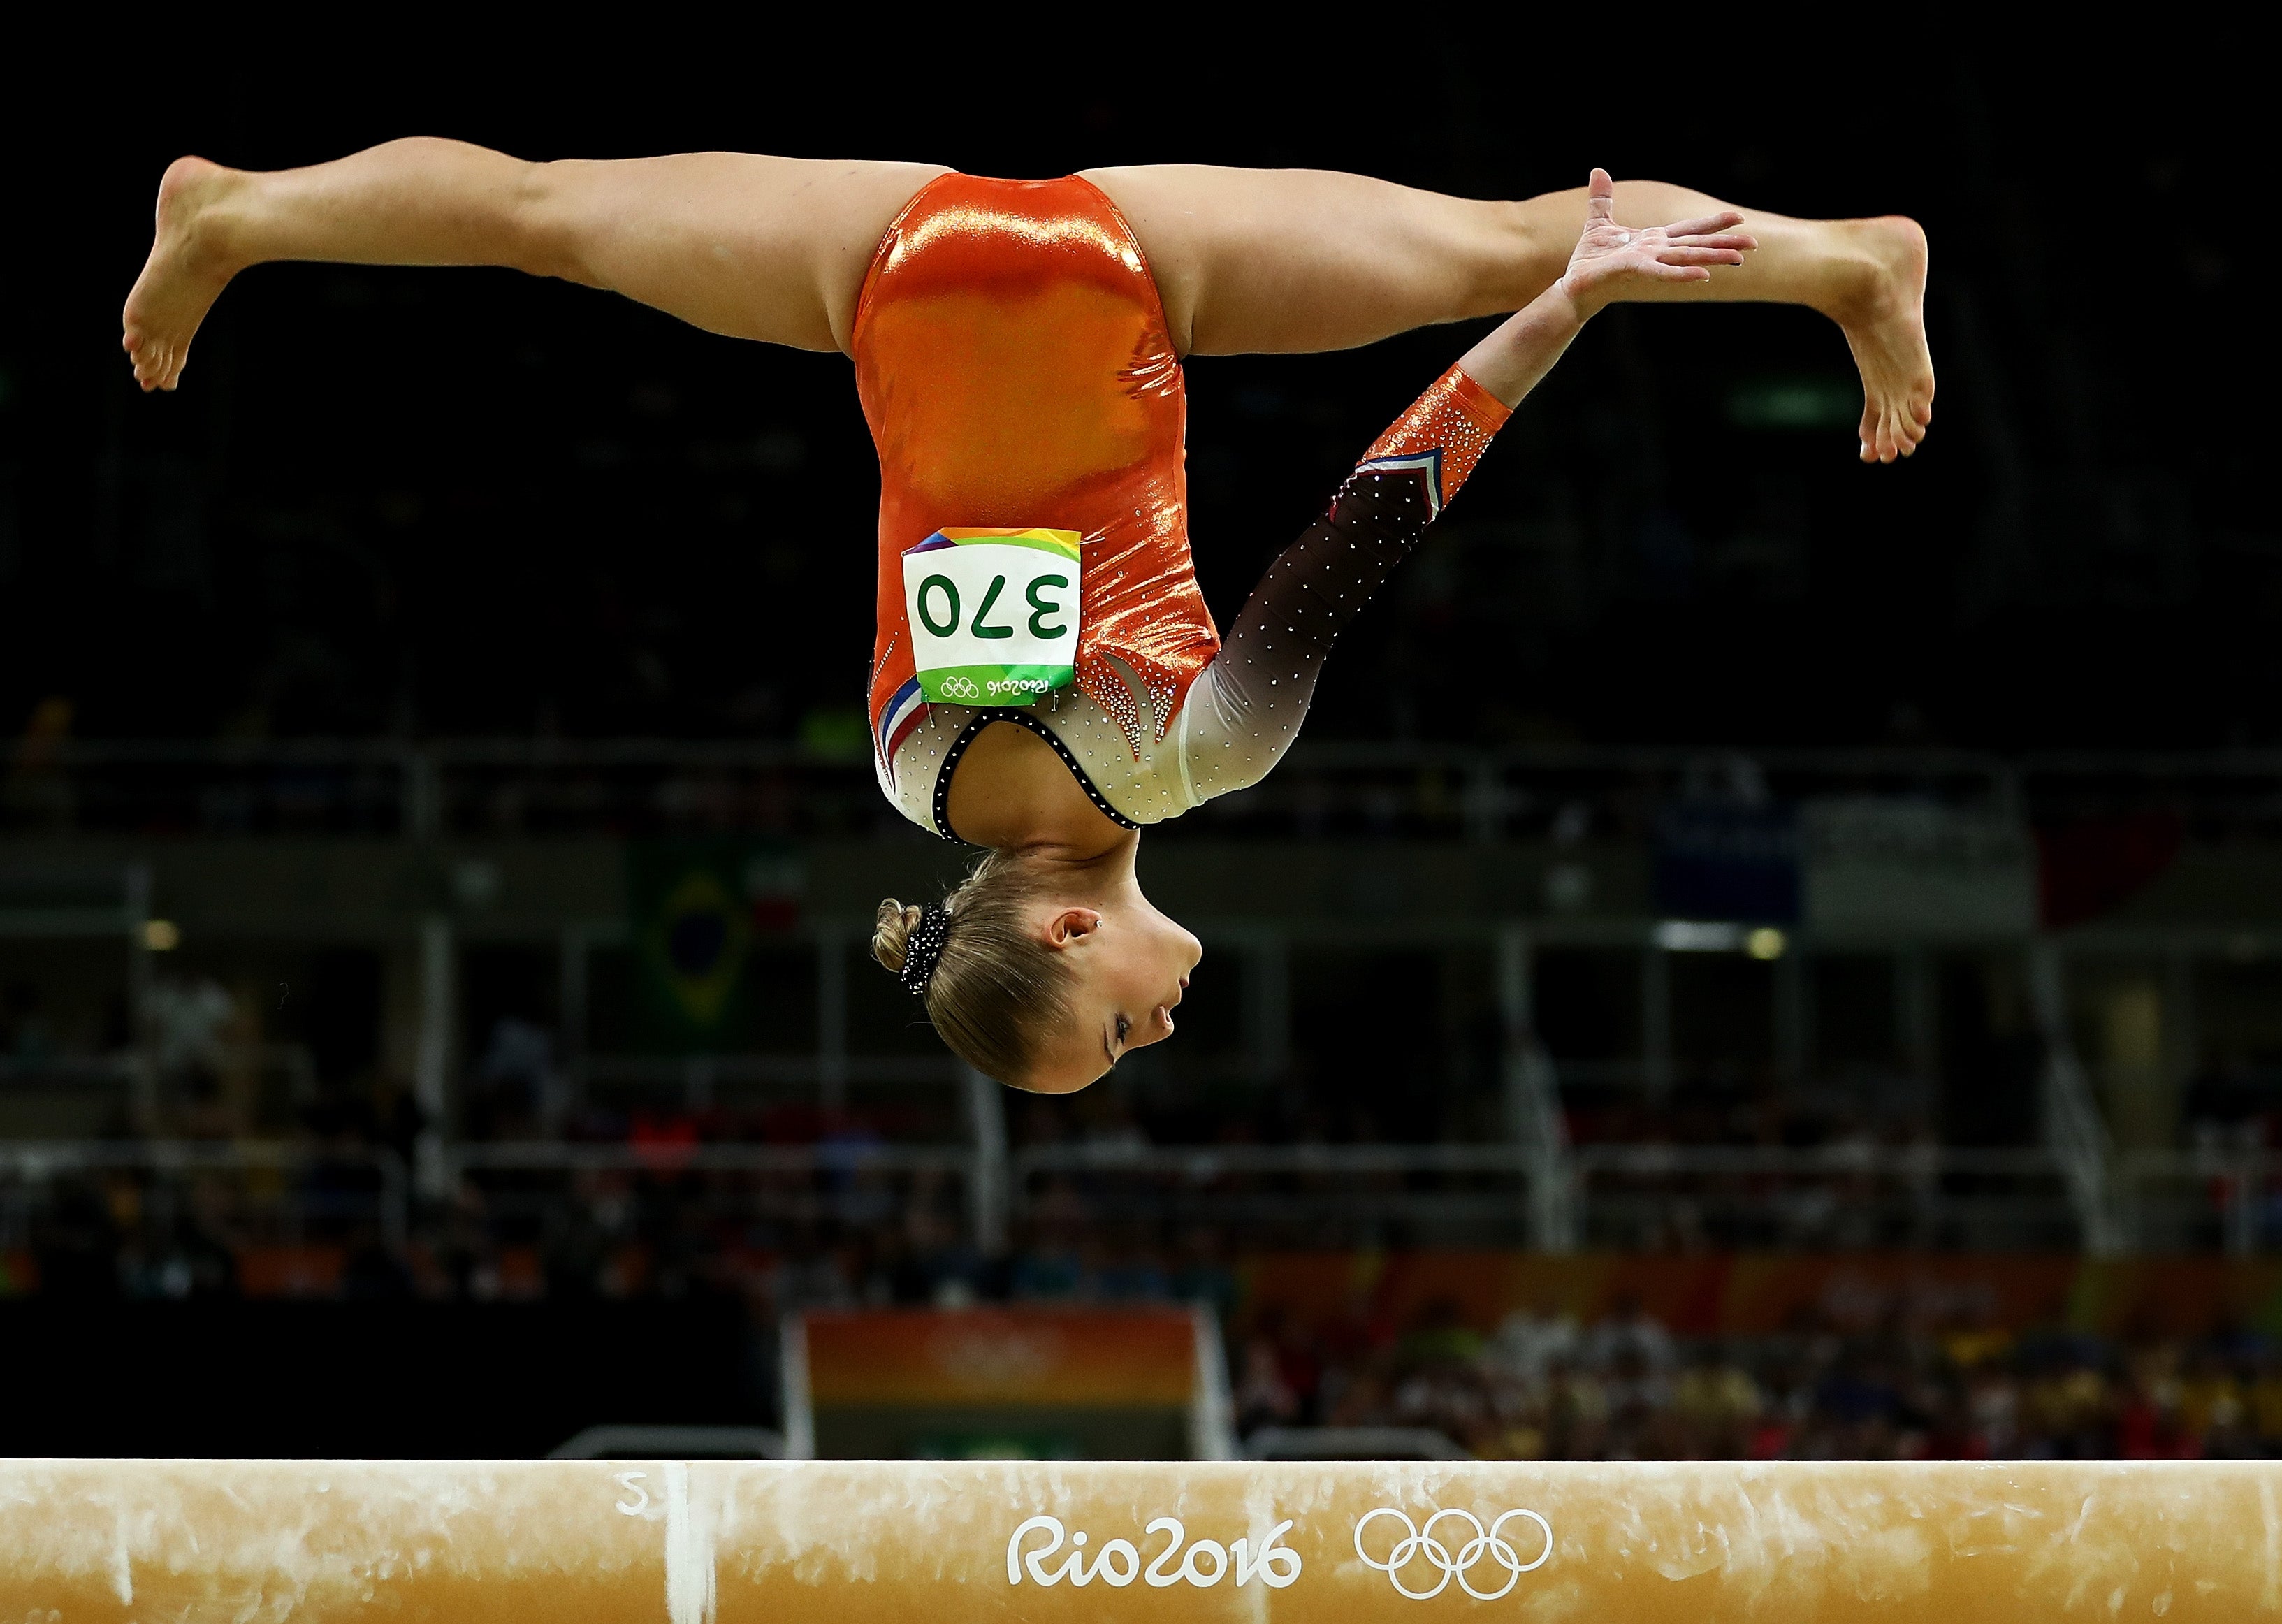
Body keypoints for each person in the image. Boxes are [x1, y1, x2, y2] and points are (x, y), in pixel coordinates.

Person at [123, 143, 1931, 1092]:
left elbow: (1385, 500)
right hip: (896, 271)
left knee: (1509, 245)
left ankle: (1839, 259)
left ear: (1068, 934)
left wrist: (1578, 312)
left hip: (1127, 267)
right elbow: (986, 541)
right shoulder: (912, 778)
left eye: (1120, 1030)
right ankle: (246, 211)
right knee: (545, 217)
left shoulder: (1193, 758)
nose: (1162, 1025)